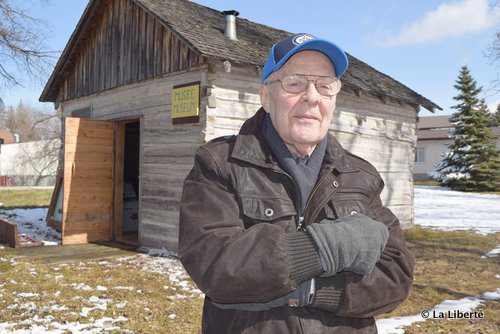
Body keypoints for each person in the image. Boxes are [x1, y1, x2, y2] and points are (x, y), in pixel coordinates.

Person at [178, 33, 414, 334]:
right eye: (295, 83)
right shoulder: (220, 164)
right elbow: (216, 265)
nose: (312, 97)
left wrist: (312, 292)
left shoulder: (360, 175)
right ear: (266, 96)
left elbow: (395, 276)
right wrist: (325, 247)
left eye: (325, 86)